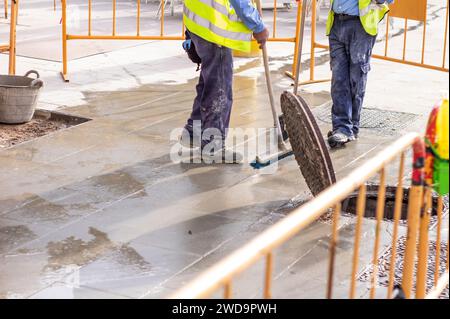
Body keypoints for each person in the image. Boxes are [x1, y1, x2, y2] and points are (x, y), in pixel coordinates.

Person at [180, 0, 269, 163]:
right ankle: (212, 146)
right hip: (215, 29)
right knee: (218, 88)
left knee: (209, 81)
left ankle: (194, 130)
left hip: (199, 22)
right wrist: (258, 26)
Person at [326, 0, 394, 148]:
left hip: (360, 26)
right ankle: (342, 127)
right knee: (338, 79)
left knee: (355, 79)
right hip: (337, 22)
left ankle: (351, 127)